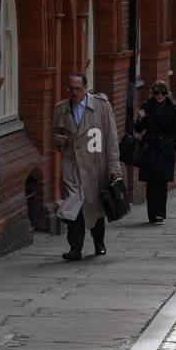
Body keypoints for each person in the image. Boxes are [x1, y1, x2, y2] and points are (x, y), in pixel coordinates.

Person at [52, 73, 122, 262]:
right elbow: (55, 135)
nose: (74, 92)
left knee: (95, 207)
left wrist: (114, 167)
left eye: (77, 88)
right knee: (75, 208)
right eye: (70, 88)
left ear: (85, 87)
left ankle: (99, 242)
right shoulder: (61, 109)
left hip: (95, 166)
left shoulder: (101, 107)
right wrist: (57, 141)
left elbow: (111, 139)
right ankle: (75, 249)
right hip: (73, 167)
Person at [135, 81, 176, 223]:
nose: (159, 96)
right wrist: (140, 119)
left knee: (162, 182)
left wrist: (172, 144)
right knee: (151, 182)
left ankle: (160, 212)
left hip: (165, 148)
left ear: (166, 93)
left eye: (162, 93)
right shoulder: (146, 106)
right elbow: (138, 129)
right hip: (151, 148)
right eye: (156, 93)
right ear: (152, 93)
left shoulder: (173, 108)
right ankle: (152, 214)